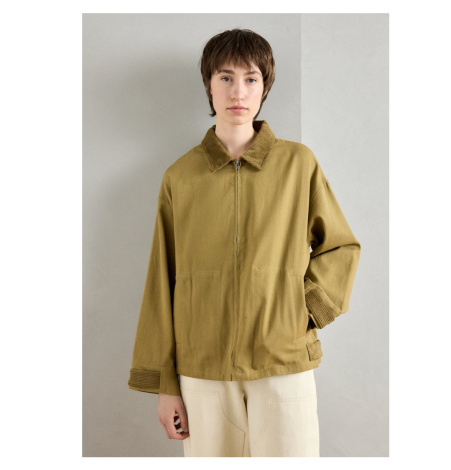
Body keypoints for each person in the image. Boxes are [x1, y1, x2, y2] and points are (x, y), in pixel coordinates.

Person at [128, 28, 361, 457]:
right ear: (209, 85)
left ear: (264, 87)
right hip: (202, 372)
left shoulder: (298, 164)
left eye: (251, 79)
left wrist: (304, 309)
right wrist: (165, 385)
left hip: (283, 364)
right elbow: (161, 281)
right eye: (226, 78)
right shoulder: (180, 176)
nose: (238, 91)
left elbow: (341, 247)